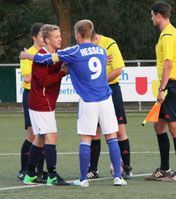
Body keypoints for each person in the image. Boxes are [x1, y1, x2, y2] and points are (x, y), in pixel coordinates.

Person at [20, 19, 127, 187]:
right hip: (106, 99)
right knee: (112, 137)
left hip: (88, 101)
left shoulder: (74, 51)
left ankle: (83, 179)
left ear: (78, 34)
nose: (61, 39)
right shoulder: (101, 50)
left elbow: (48, 59)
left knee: (85, 139)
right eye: (57, 36)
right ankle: (118, 177)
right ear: (91, 33)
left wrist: (28, 56)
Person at [144, 1, 176, 182]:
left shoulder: (169, 35)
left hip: (172, 86)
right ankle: (164, 169)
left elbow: (169, 63)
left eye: (152, 15)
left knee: (174, 128)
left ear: (159, 15)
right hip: (169, 86)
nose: (152, 18)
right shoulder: (167, 33)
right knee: (159, 125)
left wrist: (162, 89)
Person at [20, 24, 69, 185]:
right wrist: (62, 72)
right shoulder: (41, 56)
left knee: (40, 137)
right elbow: (44, 81)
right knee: (51, 136)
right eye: (56, 37)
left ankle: (30, 174)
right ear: (47, 40)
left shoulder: (53, 54)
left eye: (60, 35)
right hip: (41, 102)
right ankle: (53, 176)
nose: (60, 39)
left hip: (43, 102)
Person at [87, 31, 133, 179]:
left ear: (94, 37)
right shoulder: (85, 47)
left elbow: (118, 70)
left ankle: (126, 167)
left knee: (119, 131)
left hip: (111, 90)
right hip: (93, 92)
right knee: (95, 131)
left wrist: (100, 82)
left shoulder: (110, 43)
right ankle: (93, 170)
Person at [19, 22, 46, 180]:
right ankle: (24, 169)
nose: (45, 38)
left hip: (43, 96)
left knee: (43, 133)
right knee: (33, 134)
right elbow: (28, 78)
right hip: (30, 95)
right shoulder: (27, 54)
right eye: (42, 35)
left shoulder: (47, 53)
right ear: (34, 37)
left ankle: (39, 170)